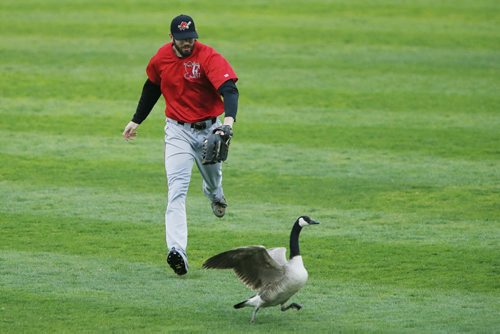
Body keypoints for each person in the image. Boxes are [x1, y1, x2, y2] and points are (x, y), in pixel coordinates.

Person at [122, 14, 239, 276]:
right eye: (183, 39)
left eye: (191, 38)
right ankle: (177, 251)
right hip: (177, 132)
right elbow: (152, 87)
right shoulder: (161, 58)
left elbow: (229, 89)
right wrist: (136, 120)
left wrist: (227, 123)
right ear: (172, 37)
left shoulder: (208, 56)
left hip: (210, 129)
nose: (188, 43)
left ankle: (215, 195)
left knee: (213, 181)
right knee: (176, 189)